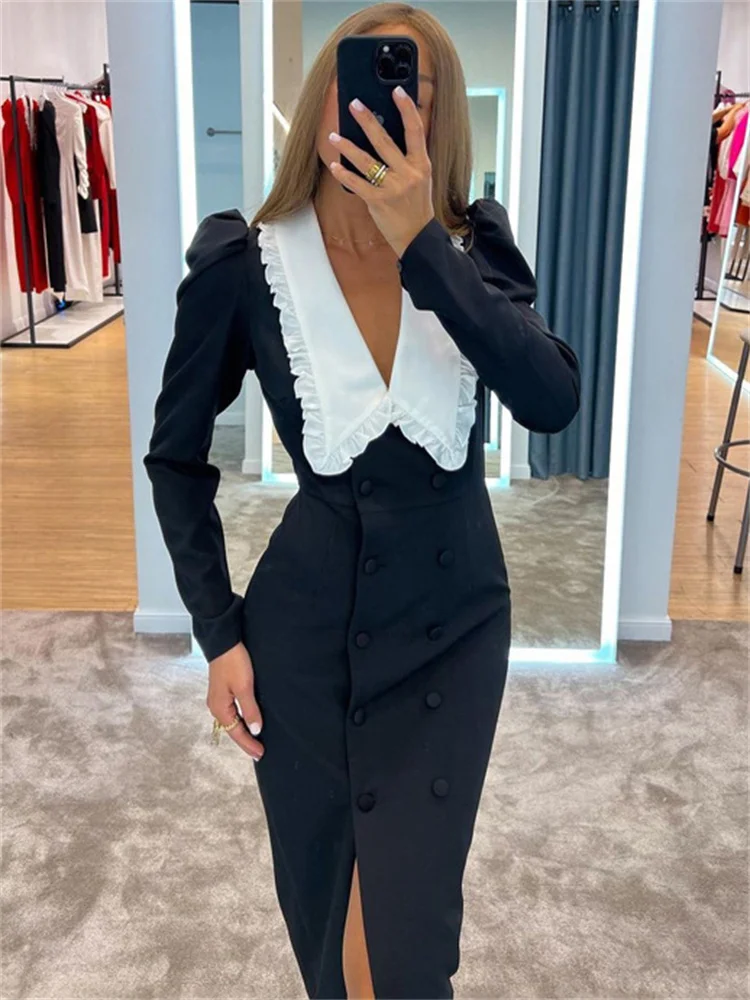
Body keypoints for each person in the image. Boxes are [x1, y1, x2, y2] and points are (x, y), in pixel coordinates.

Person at [143, 3, 581, 997]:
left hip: (454, 626)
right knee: (332, 914)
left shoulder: (473, 249)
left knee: (405, 934)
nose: (383, 110)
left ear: (438, 118)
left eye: (409, 93)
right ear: (323, 102)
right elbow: (175, 458)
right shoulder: (246, 262)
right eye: (365, 86)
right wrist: (218, 634)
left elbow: (552, 401)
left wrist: (421, 238)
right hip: (304, 640)